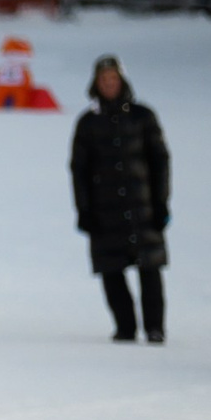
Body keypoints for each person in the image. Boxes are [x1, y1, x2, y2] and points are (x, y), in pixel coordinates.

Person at [70, 55, 169, 343]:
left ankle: (155, 327)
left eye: (113, 79)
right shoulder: (88, 123)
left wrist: (161, 201)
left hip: (143, 206)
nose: (109, 84)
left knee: (150, 268)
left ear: (122, 81)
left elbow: (160, 161)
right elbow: (79, 170)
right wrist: (83, 209)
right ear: (96, 84)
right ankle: (125, 327)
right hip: (104, 210)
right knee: (111, 269)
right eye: (104, 80)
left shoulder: (143, 116)